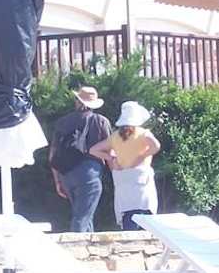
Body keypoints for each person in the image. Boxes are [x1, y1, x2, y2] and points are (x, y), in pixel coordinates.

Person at [49, 86, 112, 233]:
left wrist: (58, 180)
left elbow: (52, 154)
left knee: (85, 216)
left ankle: (88, 247)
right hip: (89, 173)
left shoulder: (62, 122)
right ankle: (76, 245)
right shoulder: (100, 121)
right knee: (82, 218)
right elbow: (110, 150)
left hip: (66, 173)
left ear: (77, 101)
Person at [89, 101, 160, 231]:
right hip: (140, 175)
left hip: (122, 176)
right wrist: (141, 157)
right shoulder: (143, 133)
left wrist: (111, 158)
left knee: (127, 211)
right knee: (145, 210)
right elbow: (156, 146)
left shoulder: (115, 136)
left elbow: (93, 150)